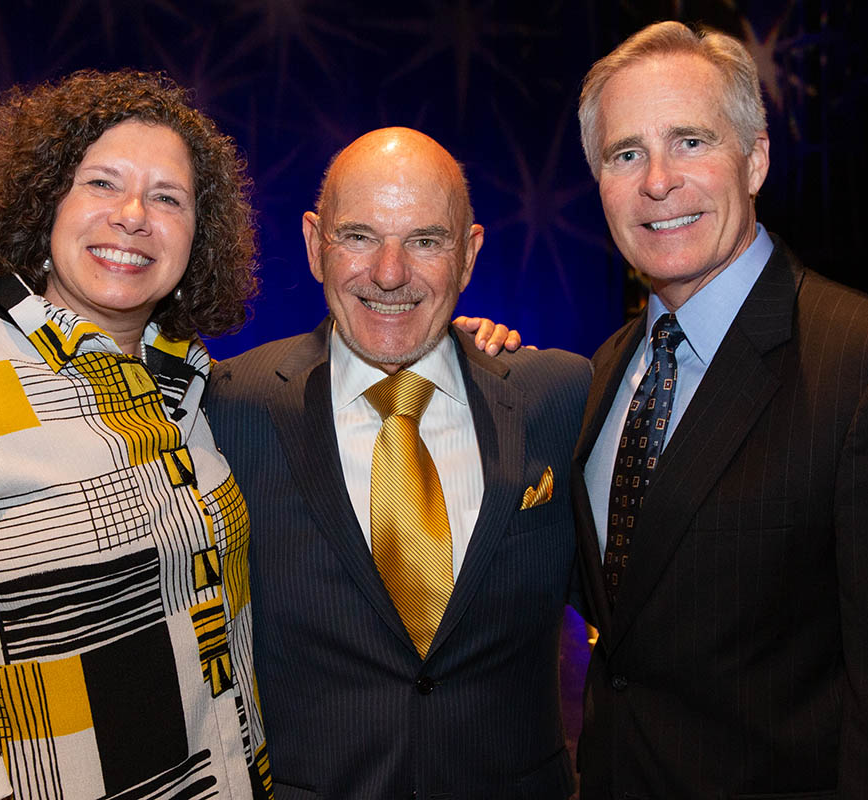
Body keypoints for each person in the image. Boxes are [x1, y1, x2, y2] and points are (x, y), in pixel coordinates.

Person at [570, 22, 868, 798]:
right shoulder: (604, 373)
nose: (657, 181)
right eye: (625, 154)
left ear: (756, 158)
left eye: (691, 141)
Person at [0, 70, 273, 800]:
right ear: (44, 204)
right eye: (101, 183)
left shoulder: (190, 395)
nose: (134, 216)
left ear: (198, 235)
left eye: (168, 197)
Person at [205, 127, 592, 799]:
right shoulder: (229, 408)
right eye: (358, 236)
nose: (389, 272)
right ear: (313, 243)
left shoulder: (557, 396)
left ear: (468, 255)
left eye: (424, 240)